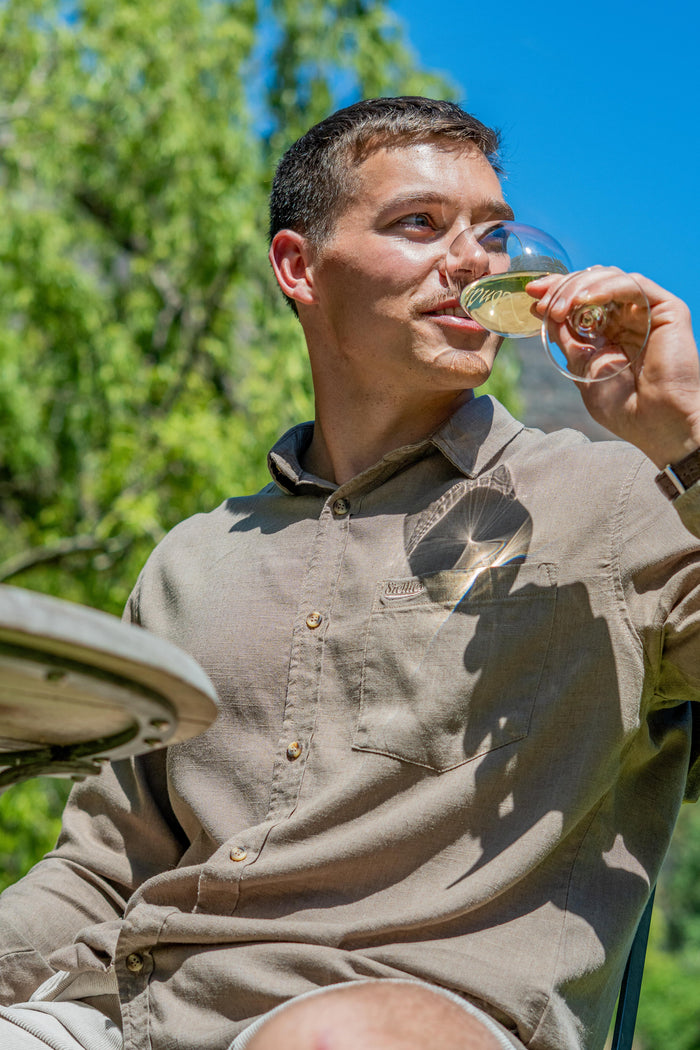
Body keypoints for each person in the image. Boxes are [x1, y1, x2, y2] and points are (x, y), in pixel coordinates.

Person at [0, 96, 699, 1050]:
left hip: (415, 1023)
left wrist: (687, 440)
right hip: (131, 1018)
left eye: (493, 233)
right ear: (299, 267)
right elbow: (100, 871)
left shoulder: (616, 499)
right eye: (420, 224)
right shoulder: (193, 559)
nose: (476, 261)